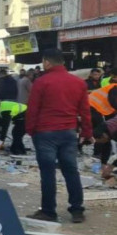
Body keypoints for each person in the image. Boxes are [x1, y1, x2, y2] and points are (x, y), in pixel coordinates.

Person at [26, 49, 92, 223]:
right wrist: (86, 132)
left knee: (48, 173)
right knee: (71, 170)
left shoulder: (41, 82)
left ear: (47, 62)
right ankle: (77, 210)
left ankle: (48, 211)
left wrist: (31, 130)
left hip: (45, 132)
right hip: (69, 132)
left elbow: (33, 109)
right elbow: (85, 111)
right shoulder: (79, 83)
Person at [88, 83, 117, 165]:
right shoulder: (114, 88)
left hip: (98, 109)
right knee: (102, 134)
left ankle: (101, 159)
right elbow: (114, 102)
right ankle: (98, 156)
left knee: (105, 135)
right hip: (94, 108)